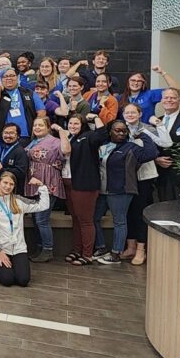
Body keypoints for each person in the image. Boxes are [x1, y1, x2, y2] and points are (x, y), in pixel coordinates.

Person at [94, 120, 158, 265]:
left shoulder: (131, 147)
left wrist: (143, 136)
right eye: (117, 130)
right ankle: (101, 247)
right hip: (102, 190)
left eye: (124, 131)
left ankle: (116, 253)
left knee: (119, 221)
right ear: (110, 131)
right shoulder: (104, 147)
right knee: (94, 218)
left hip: (121, 190)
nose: (121, 133)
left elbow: (152, 153)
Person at [121, 103, 173, 265]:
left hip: (144, 177)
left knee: (139, 212)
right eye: (127, 112)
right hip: (124, 178)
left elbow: (166, 143)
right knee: (127, 212)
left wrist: (159, 124)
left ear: (140, 113)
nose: (130, 115)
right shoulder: (120, 129)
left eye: (133, 112)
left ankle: (141, 250)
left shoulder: (146, 129)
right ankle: (130, 246)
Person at [54, 114, 106, 266]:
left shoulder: (88, 137)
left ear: (82, 124)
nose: (73, 126)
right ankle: (77, 250)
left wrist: (96, 117)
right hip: (69, 182)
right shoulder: (70, 138)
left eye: (76, 123)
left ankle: (87, 254)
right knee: (75, 219)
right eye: (70, 123)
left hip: (84, 184)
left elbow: (102, 135)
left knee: (85, 220)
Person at [0, 173, 49, 287]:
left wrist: (41, 186)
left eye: (11, 184)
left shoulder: (19, 200)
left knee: (23, 280)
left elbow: (42, 205)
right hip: (0, 249)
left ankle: (14, 265)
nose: (8, 186)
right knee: (7, 280)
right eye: (5, 183)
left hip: (19, 248)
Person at [25, 117, 65, 263]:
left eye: (41, 125)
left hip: (48, 183)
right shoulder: (33, 141)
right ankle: (40, 247)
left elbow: (66, 153)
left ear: (48, 127)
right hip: (34, 184)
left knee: (42, 219)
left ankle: (48, 249)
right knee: (36, 219)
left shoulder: (55, 142)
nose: (37, 127)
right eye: (35, 125)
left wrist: (61, 131)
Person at [0, 66, 45, 143]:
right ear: (1, 79)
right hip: (3, 137)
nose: (9, 78)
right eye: (6, 76)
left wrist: (35, 130)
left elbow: (41, 112)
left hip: (25, 136)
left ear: (17, 78)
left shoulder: (28, 93)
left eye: (12, 76)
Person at [0, 123, 29, 195]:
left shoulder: (20, 152)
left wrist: (2, 169)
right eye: (5, 133)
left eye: (11, 133)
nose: (8, 136)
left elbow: (21, 172)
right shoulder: (2, 147)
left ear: (18, 136)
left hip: (13, 191)